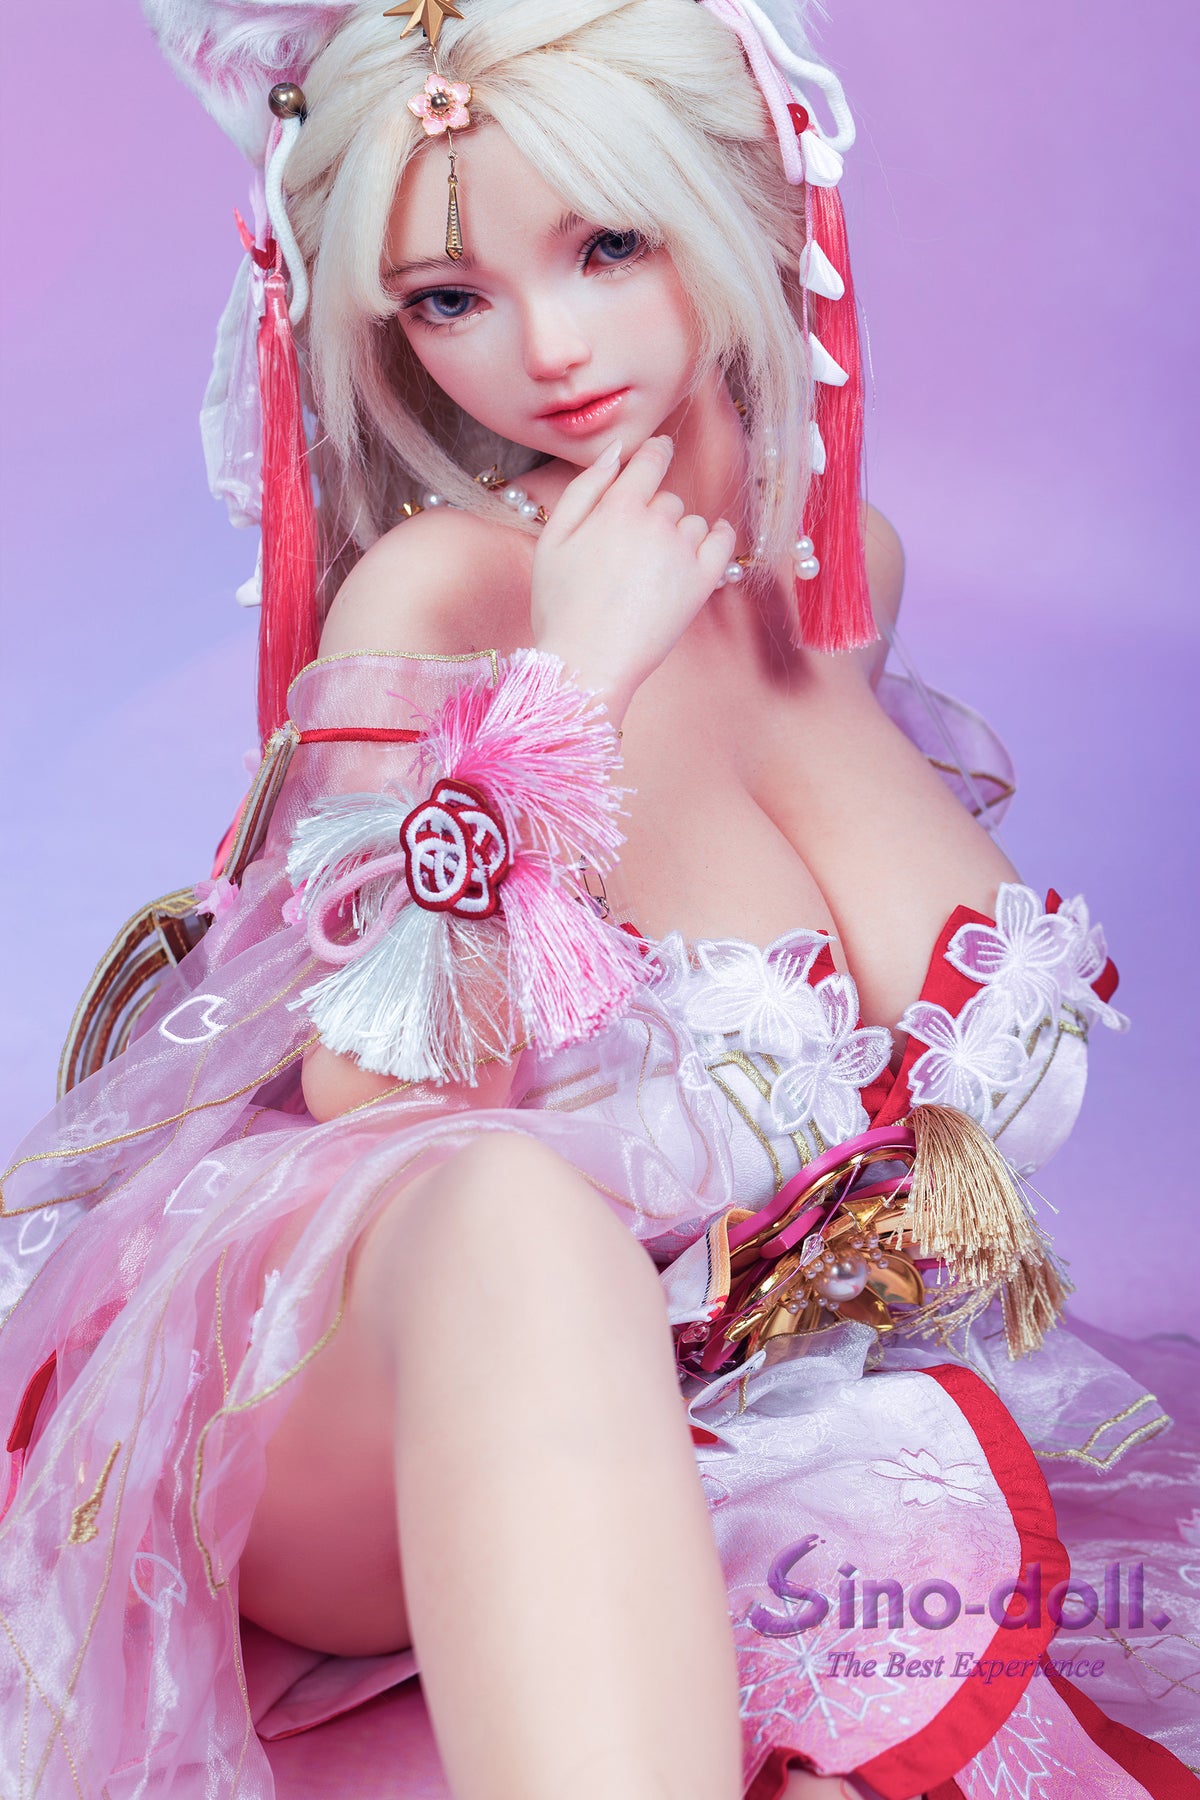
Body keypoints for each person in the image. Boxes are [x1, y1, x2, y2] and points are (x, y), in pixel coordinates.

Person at [1, 0, 1196, 1796]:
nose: (545, 351)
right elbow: (376, 1099)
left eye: (610, 245)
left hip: (737, 1412)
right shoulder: (443, 591)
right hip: (366, 1379)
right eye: (450, 299)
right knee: (514, 1209)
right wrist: (567, 684)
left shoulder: (843, 574)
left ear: (745, 203)